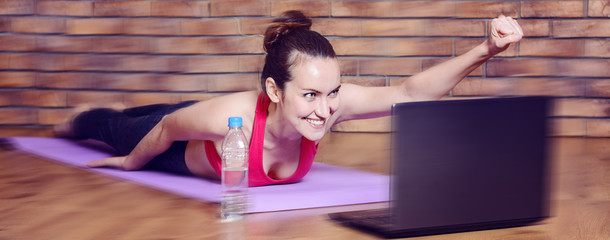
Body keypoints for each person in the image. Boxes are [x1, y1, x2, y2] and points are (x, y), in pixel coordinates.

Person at [54, 11, 523, 187]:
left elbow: (407, 94)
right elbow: (166, 130)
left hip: (191, 131)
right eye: (311, 94)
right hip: (167, 146)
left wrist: (486, 49)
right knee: (110, 126)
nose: (325, 109)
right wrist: (130, 166)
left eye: (333, 92)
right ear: (274, 91)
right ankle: (75, 119)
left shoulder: (330, 106)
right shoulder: (231, 115)